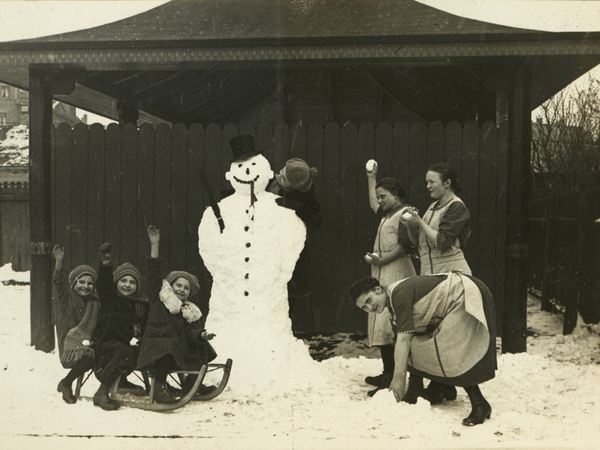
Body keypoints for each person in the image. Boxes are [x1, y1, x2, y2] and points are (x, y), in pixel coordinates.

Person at [349, 273, 497, 426]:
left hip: (465, 294)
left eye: (369, 300)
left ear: (378, 290)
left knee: (449, 348)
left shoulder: (399, 294)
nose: (369, 307)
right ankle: (440, 388)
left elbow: (403, 340)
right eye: (364, 307)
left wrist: (398, 381)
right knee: (418, 344)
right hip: (454, 301)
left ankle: (479, 404)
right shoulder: (392, 305)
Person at [402, 162, 472, 403]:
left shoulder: (457, 207)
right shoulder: (432, 207)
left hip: (453, 273)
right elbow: (417, 243)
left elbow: (441, 242)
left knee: (446, 331)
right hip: (431, 274)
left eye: (432, 181)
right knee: (431, 329)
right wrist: (413, 226)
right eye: (427, 181)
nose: (427, 185)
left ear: (447, 183)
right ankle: (440, 386)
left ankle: (441, 385)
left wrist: (419, 221)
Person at [137, 224, 217, 404]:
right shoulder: (159, 297)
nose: (181, 289)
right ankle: (158, 387)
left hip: (176, 346)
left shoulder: (188, 310)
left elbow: (189, 332)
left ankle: (191, 383)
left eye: (186, 288)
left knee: (202, 347)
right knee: (167, 347)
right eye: (178, 285)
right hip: (156, 345)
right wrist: (154, 245)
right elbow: (154, 271)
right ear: (171, 286)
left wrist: (201, 335)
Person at [363, 161, 416, 396]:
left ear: (396, 195)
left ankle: (393, 377)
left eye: (384, 196)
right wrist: (371, 177)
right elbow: (373, 203)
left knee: (393, 326)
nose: (380, 200)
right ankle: (387, 372)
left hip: (398, 274)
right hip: (382, 273)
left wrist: (381, 261)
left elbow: (406, 246)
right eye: (379, 196)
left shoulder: (405, 214)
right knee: (381, 323)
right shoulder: (387, 212)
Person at [92, 243, 148, 410]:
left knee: (142, 351)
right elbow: (103, 283)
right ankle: (102, 392)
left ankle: (125, 381)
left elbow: (143, 326)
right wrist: (106, 262)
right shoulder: (110, 299)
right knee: (124, 352)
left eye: (132, 282)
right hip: (105, 344)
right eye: (123, 280)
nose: (127, 285)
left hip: (123, 346)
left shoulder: (139, 304)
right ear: (116, 283)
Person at [269, 157, 322, 319]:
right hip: (268, 250)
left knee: (287, 297)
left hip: (289, 255)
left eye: (282, 177)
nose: (278, 175)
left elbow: (316, 222)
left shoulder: (306, 200)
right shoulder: (272, 183)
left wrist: (295, 207)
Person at [52, 244, 101, 404]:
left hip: (89, 343)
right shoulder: (67, 299)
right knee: (89, 357)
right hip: (70, 346)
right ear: (73, 283)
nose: (85, 286)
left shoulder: (95, 303)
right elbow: (58, 283)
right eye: (81, 282)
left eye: (90, 283)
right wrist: (59, 262)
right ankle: (66, 383)